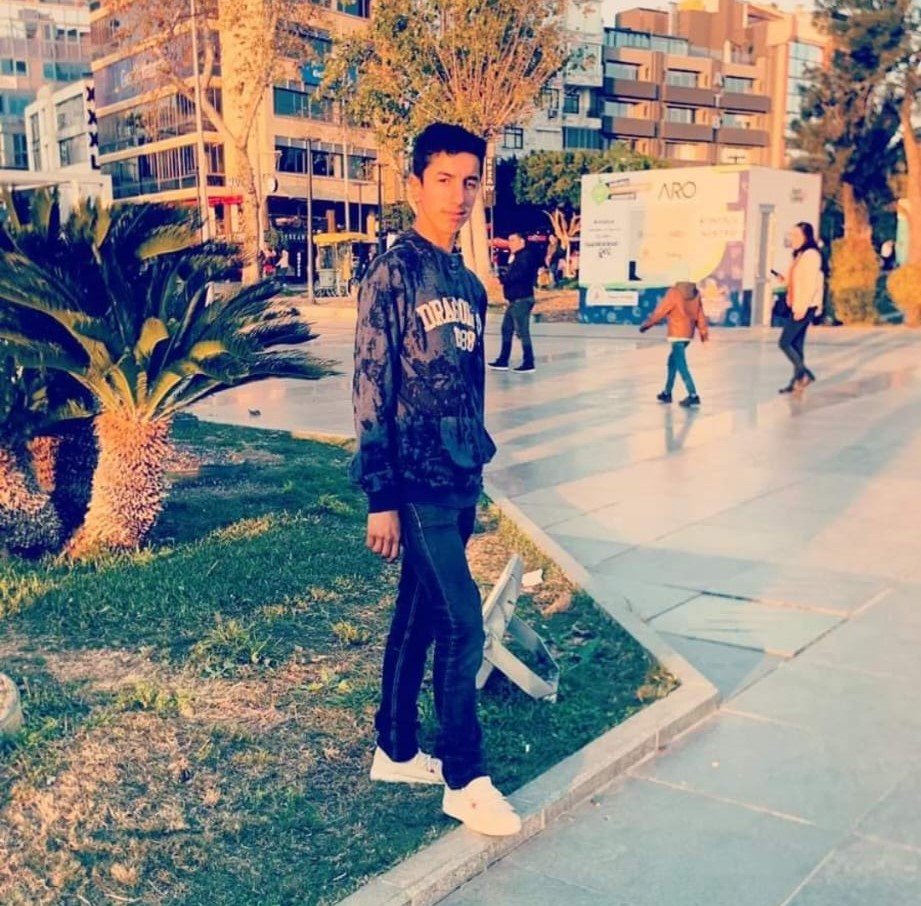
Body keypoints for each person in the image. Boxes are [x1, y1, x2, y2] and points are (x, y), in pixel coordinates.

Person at [350, 122, 521, 838]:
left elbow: (473, 387)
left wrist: (475, 466)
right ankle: (465, 778)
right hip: (413, 481)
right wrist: (381, 496)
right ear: (415, 184)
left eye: (469, 181)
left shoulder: (467, 284)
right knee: (460, 621)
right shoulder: (392, 273)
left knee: (419, 616)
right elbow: (370, 386)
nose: (458, 195)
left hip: (458, 477)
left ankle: (394, 749)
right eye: (443, 180)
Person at [639, 280, 709, 407]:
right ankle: (667, 392)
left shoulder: (674, 293)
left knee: (682, 366)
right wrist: (703, 334)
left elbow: (661, 311)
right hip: (687, 335)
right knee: (672, 362)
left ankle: (693, 395)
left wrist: (647, 325)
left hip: (676, 334)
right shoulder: (695, 293)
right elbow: (701, 315)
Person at [775, 221, 824, 393]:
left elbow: (810, 284)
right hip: (797, 303)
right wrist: (784, 279)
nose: (793, 238)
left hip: (805, 305)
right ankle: (797, 380)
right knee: (796, 344)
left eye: (797, 235)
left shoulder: (811, 255)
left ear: (806, 237)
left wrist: (802, 307)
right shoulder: (800, 255)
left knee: (784, 342)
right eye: (792, 235)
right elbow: (796, 279)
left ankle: (805, 374)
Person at [489, 230, 542, 374]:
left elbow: (519, 275)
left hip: (522, 299)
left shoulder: (525, 256)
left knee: (522, 331)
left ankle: (529, 362)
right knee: (506, 329)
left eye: (513, 240)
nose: (510, 244)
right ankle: (503, 360)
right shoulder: (517, 256)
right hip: (514, 300)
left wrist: (502, 278)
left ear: (522, 242)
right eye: (509, 241)